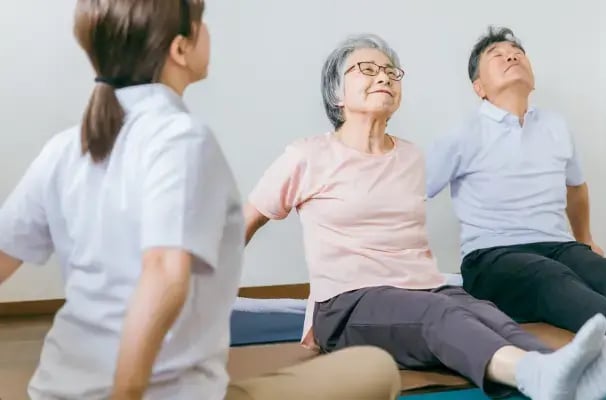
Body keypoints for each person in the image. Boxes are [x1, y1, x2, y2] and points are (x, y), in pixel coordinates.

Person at [0, 1, 400, 399]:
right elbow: (163, 272)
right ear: (180, 49)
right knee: (376, 368)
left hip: (52, 390)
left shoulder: (66, 146)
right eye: (201, 23)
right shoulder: (182, 140)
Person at [244, 32, 606, 400]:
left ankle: (566, 370)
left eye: (390, 71)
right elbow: (246, 221)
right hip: (347, 303)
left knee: (484, 313)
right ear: (336, 93)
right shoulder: (307, 155)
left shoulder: (410, 156)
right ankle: (532, 373)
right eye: (367, 69)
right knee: (439, 314)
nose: (383, 76)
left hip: (424, 288)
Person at [425, 26, 606, 352]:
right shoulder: (461, 135)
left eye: (517, 52)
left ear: (533, 79)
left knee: (605, 272)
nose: (511, 55)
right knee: (549, 275)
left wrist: (584, 239)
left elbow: (576, 188)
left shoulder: (555, 126)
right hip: (492, 258)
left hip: (558, 244)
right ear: (479, 87)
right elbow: (411, 194)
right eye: (497, 55)